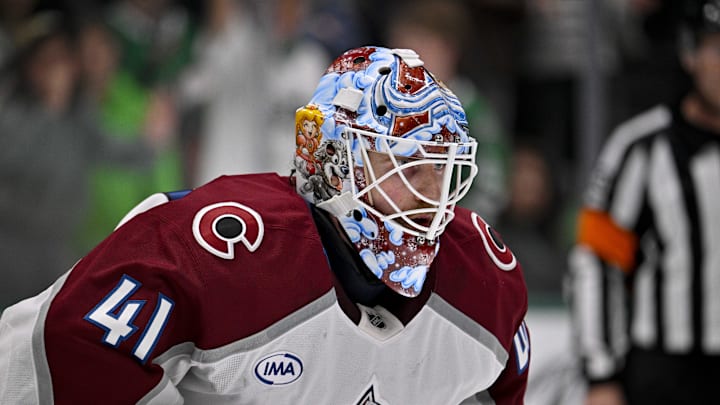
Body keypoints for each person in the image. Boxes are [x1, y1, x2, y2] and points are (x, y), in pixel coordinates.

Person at [0, 46, 530, 403]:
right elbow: (55, 349)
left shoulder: (483, 284)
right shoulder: (222, 247)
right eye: (405, 167)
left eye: (442, 169)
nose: (432, 200)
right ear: (330, 159)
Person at [568, 1, 720, 403]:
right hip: (665, 374)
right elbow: (597, 262)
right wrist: (601, 375)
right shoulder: (640, 148)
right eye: (716, 49)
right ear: (690, 54)